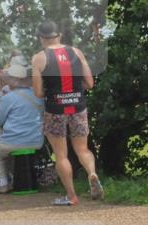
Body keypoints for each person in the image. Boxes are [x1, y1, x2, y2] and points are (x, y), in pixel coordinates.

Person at [31, 20, 104, 206]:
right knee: (82, 149)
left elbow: (38, 92)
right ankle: (92, 173)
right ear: (59, 35)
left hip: (55, 110)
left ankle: (71, 196)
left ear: (41, 38)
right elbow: (90, 83)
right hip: (78, 107)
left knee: (61, 155)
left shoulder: (39, 58)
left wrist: (53, 92)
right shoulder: (76, 52)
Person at [0, 60, 44, 193]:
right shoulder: (37, 94)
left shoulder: (8, 97)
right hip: (37, 139)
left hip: (15, 140)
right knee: (4, 146)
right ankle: (13, 176)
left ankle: (3, 182)